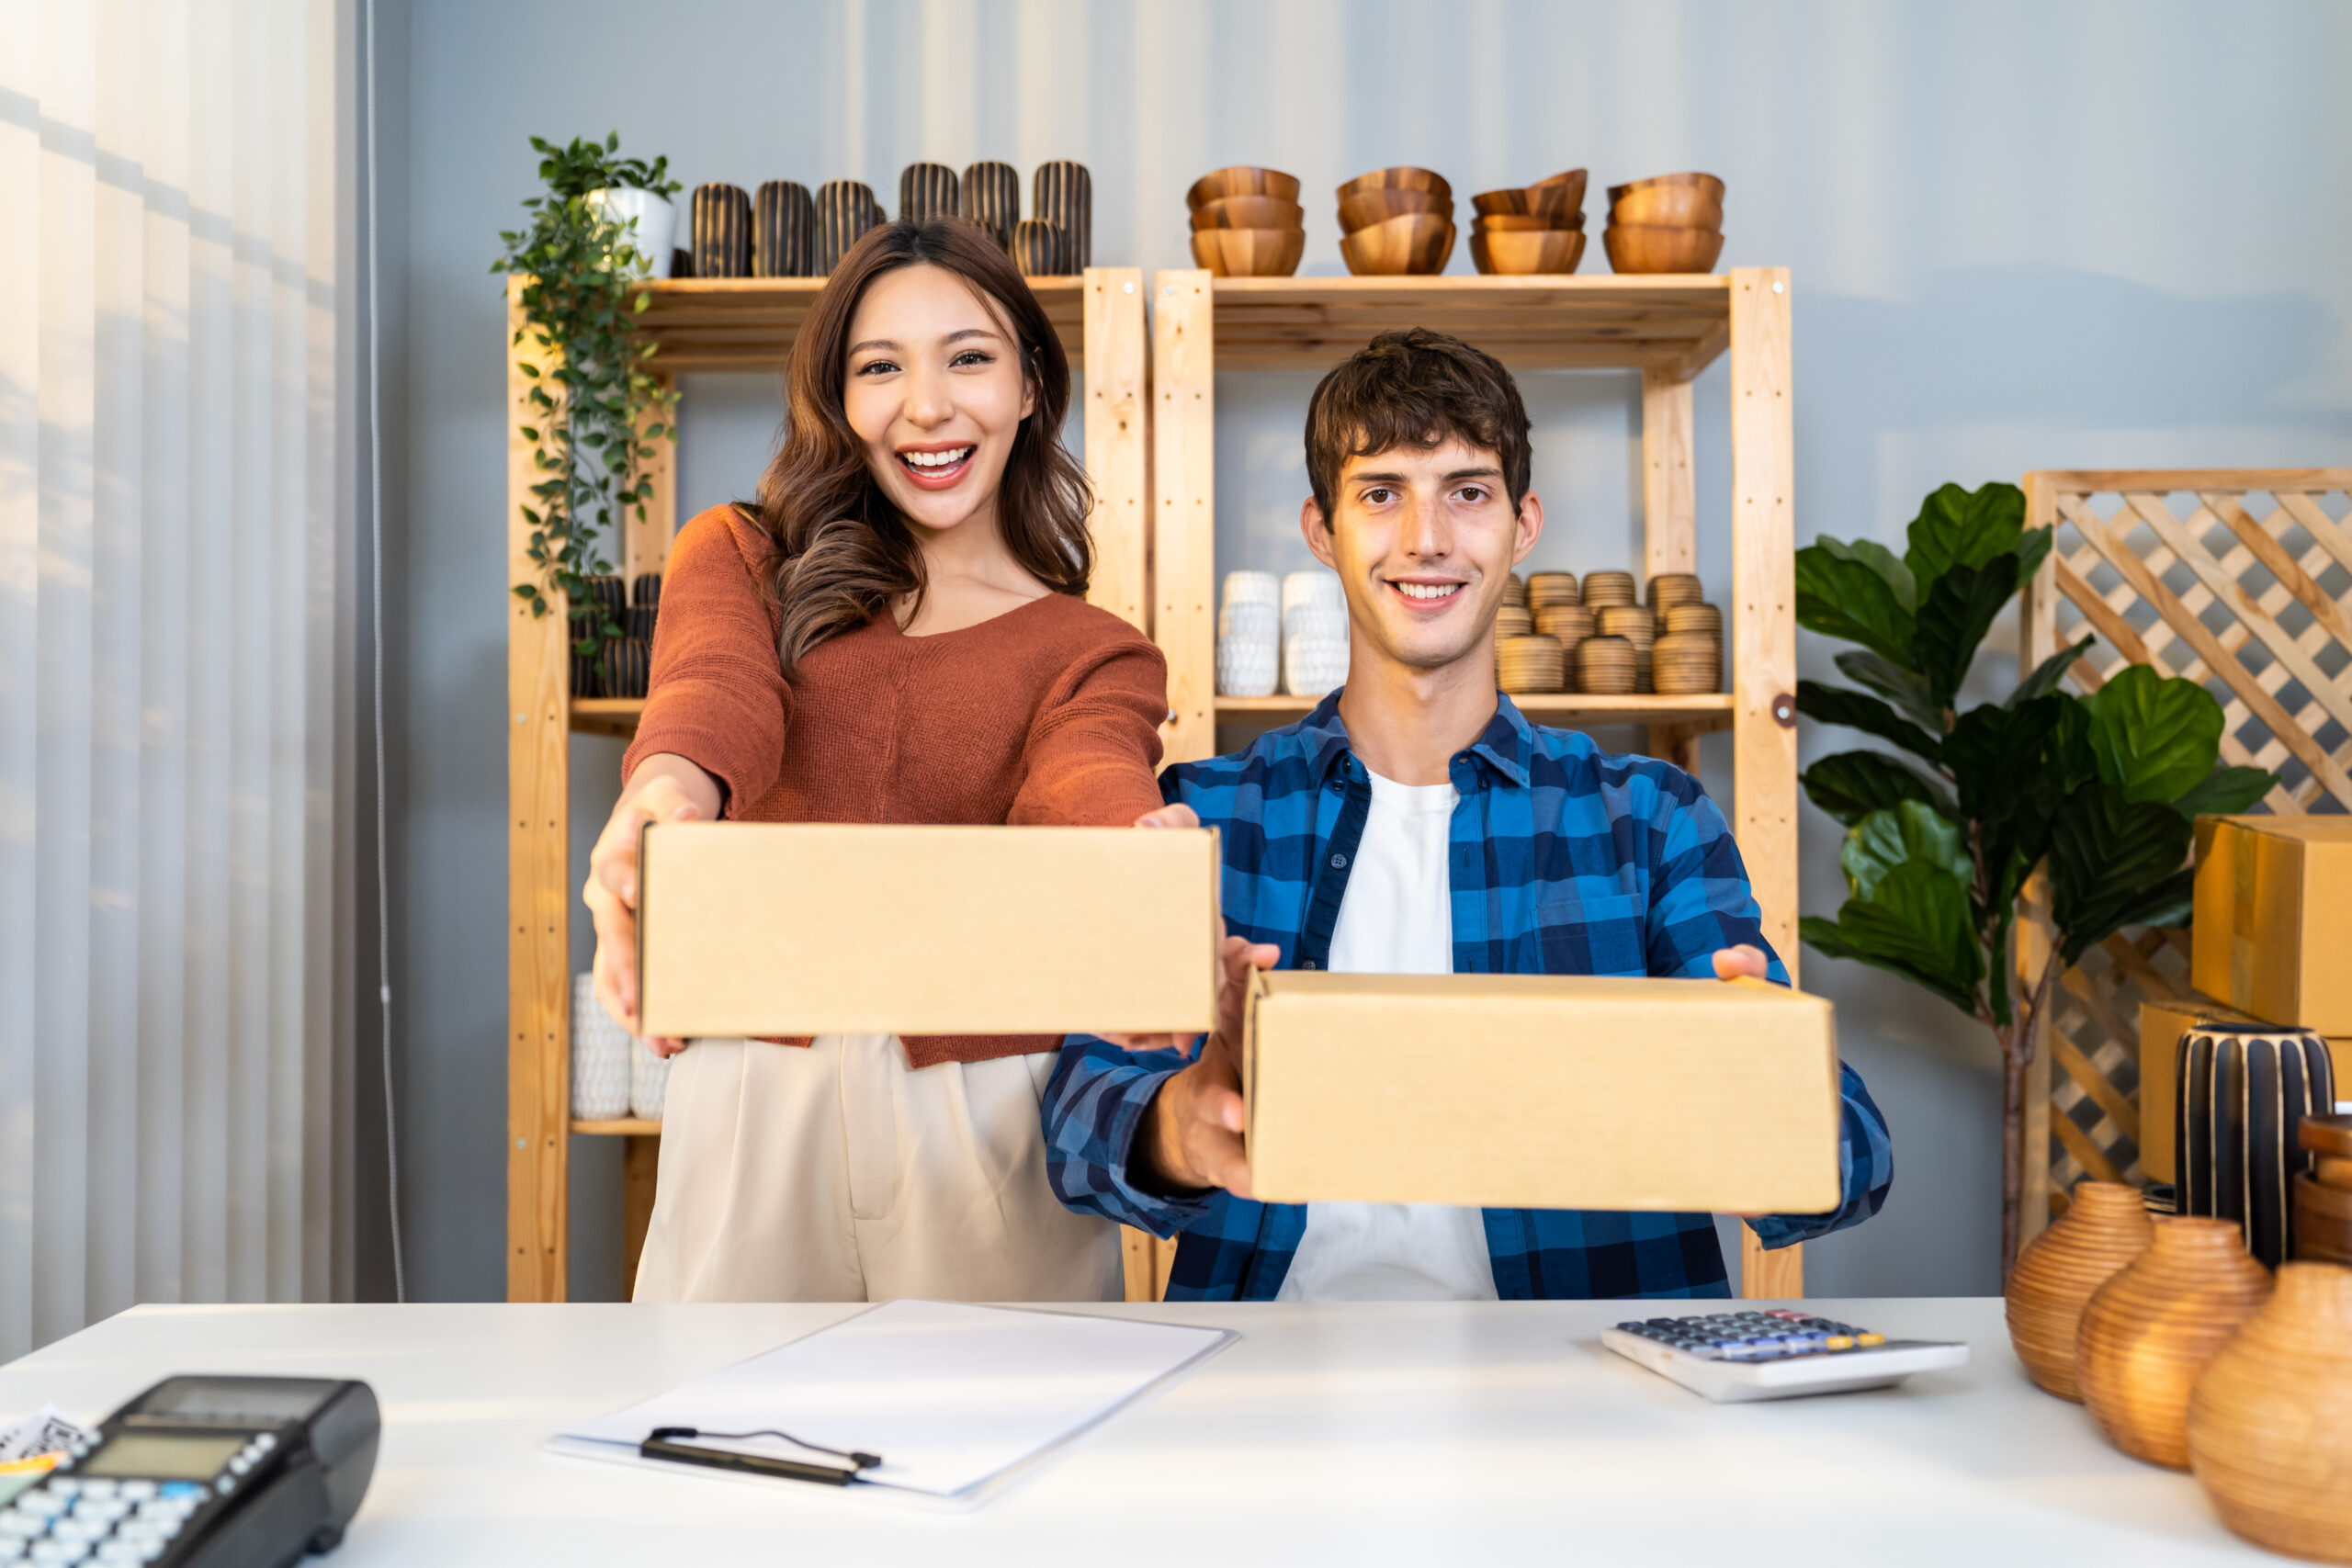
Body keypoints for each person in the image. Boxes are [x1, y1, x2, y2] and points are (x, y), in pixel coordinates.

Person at [1043, 328, 1892, 1301]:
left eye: (1467, 491)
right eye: (1380, 493)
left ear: (1522, 523)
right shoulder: (1202, 816)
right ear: (1321, 530)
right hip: (1267, 1392)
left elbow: (1855, 1158)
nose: (1427, 540)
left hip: (1581, 1391)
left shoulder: (1649, 820)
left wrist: (1761, 1104)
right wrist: (1181, 1122)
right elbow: (1076, 1120)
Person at [585, 219, 1188, 1304]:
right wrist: (661, 795)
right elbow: (714, 698)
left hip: (986, 1114)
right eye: (879, 368)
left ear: (1030, 385)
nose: (926, 405)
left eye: (968, 357)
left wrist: (1137, 870)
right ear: (838, 399)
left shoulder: (1092, 648)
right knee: (718, 1435)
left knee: (1010, 1431)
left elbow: (1085, 781)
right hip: (756, 1088)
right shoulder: (740, 555)